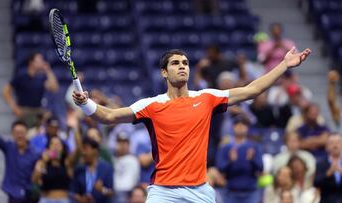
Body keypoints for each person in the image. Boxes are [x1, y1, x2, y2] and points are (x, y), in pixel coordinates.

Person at [72, 47, 311, 203]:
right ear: (164, 73)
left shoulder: (206, 98)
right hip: (163, 192)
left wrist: (284, 65)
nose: (183, 66)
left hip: (200, 191)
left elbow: (252, 90)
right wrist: (86, 104)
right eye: (176, 63)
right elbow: (110, 116)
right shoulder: (151, 105)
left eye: (185, 62)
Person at [0, 107, 40, 203]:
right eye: (17, 133)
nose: (19, 135)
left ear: (26, 134)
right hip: (13, 195)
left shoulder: (34, 153)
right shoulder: (9, 147)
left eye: (22, 133)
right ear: (12, 134)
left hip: (30, 195)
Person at [2, 53, 59, 128]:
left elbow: (54, 88)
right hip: (24, 110)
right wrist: (14, 107)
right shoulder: (21, 75)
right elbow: (6, 91)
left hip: (38, 110)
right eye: (39, 60)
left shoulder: (41, 77)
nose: (42, 62)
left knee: (51, 119)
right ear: (31, 62)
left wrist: (48, 70)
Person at [216, 116, 263, 203]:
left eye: (244, 124)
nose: (240, 126)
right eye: (237, 124)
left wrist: (252, 159)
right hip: (231, 192)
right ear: (233, 126)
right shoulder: (226, 147)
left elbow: (260, 167)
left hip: (251, 191)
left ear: (248, 128)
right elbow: (220, 168)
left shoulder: (254, 147)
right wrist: (230, 161)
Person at [31, 125, 81, 203]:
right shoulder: (42, 162)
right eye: (53, 144)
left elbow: (78, 150)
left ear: (62, 148)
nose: (55, 147)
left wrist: (75, 130)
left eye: (58, 144)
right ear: (48, 147)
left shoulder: (66, 162)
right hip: (46, 200)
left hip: (63, 200)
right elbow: (34, 180)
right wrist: (43, 162)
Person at [71, 137, 114, 203]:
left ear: (95, 151)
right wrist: (81, 199)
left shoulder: (106, 168)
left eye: (86, 149)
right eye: (82, 149)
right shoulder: (79, 169)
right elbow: (73, 192)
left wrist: (102, 190)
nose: (83, 152)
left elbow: (112, 193)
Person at [314, 134, 342, 203]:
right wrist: (328, 173)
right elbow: (316, 183)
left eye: (338, 142)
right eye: (332, 143)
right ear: (327, 146)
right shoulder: (321, 164)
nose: (335, 145)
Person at [113, 133, 141, 203]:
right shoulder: (112, 159)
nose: (122, 145)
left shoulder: (133, 159)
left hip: (128, 192)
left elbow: (135, 180)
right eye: (120, 142)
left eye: (124, 143)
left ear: (128, 145)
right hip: (114, 192)